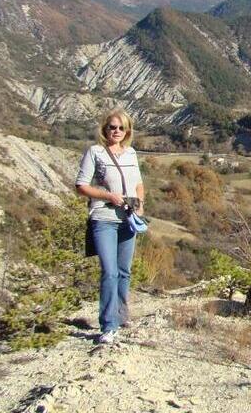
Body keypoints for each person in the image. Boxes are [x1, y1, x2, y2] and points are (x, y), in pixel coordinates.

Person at [75, 108, 145, 345]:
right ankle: (108, 325)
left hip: (128, 219)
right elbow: (81, 185)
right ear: (104, 129)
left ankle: (122, 316)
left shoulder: (132, 153)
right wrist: (108, 196)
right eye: (112, 127)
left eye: (121, 128)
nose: (116, 131)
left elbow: (139, 184)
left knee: (124, 271)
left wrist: (141, 205)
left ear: (127, 131)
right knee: (110, 271)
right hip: (104, 218)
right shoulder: (95, 152)